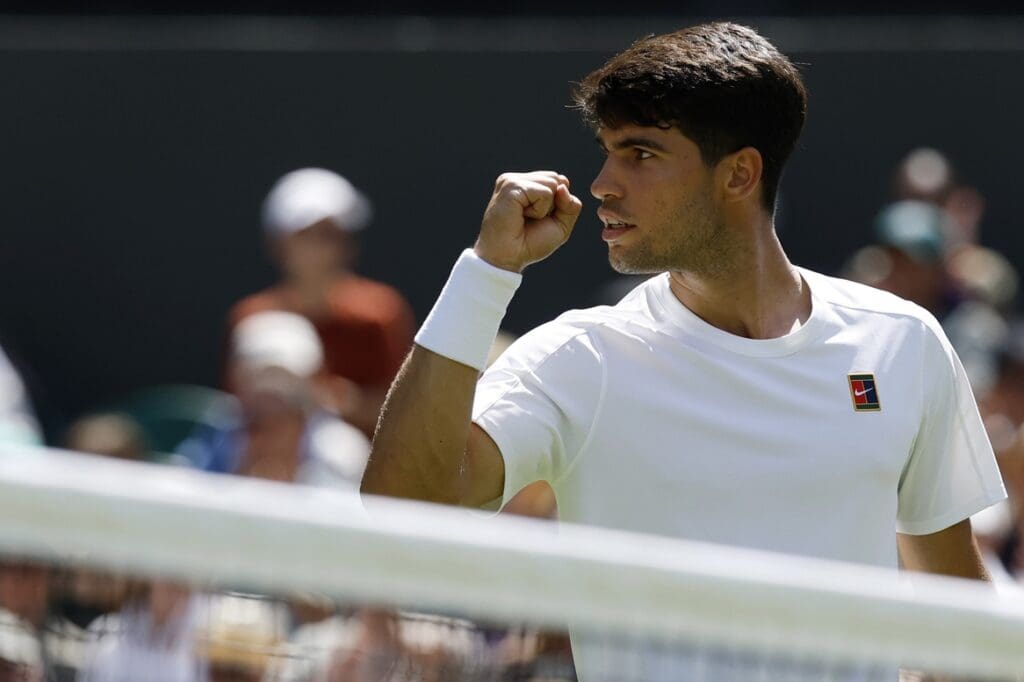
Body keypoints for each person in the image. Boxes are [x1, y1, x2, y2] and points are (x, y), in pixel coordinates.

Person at [361, 22, 1006, 680]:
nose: (603, 184)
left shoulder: (903, 342)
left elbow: (955, 614)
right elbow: (403, 508)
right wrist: (485, 272)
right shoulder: (582, 360)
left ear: (739, 175)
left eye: (640, 154)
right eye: (608, 152)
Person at [228, 168, 415, 438]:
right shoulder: (250, 318)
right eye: (306, 234)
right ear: (278, 243)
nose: (319, 249)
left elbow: (405, 410)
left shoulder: (381, 313)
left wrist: (343, 404)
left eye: (330, 235)